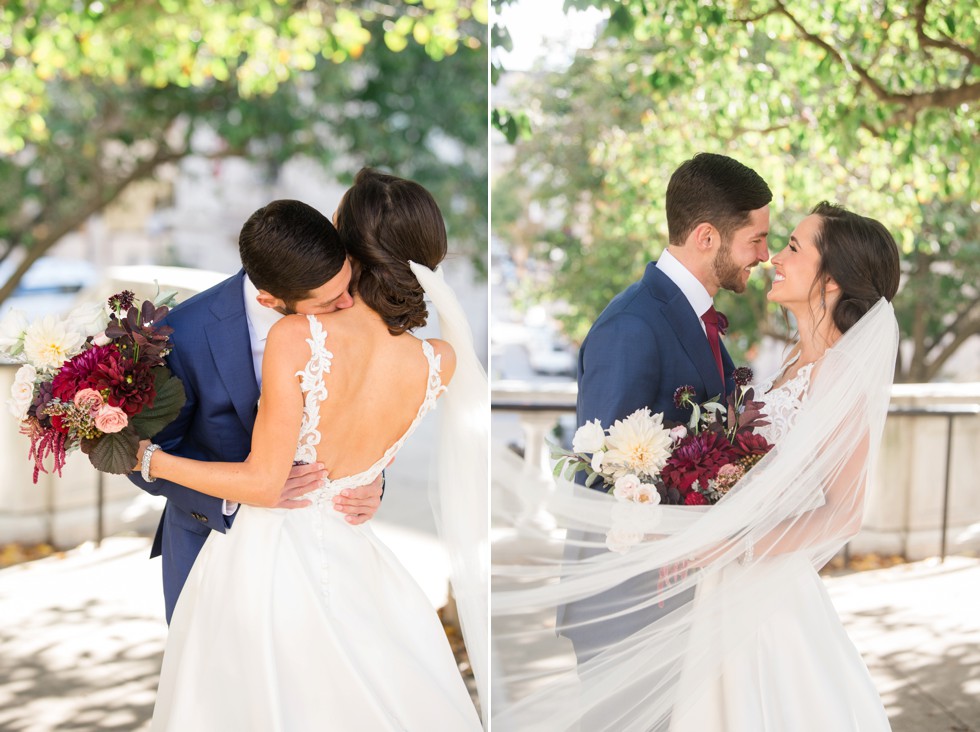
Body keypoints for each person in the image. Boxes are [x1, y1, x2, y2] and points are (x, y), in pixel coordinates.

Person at [491, 201, 901, 731]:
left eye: (793, 248)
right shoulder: (795, 360)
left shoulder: (842, 371)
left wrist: (734, 542)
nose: (773, 256)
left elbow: (844, 512)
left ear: (831, 282)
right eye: (771, 242)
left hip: (759, 585)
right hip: (713, 583)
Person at [139, 170, 486, 730]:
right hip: (349, 563)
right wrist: (361, 474)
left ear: (342, 239)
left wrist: (146, 458)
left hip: (265, 562)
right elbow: (367, 442)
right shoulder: (440, 360)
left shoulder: (296, 336)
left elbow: (264, 482)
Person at [127, 202, 385, 623]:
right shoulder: (181, 335)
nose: (348, 304)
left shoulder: (351, 310)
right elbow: (140, 455)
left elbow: (370, 407)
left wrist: (372, 479)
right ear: (270, 298)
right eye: (329, 300)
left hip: (320, 552)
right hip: (212, 544)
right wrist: (244, 490)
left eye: (347, 284)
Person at [559, 153, 772, 660]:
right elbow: (602, 476)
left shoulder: (694, 319)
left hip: (680, 597)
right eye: (756, 239)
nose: (764, 255)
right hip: (627, 609)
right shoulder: (631, 325)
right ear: (706, 237)